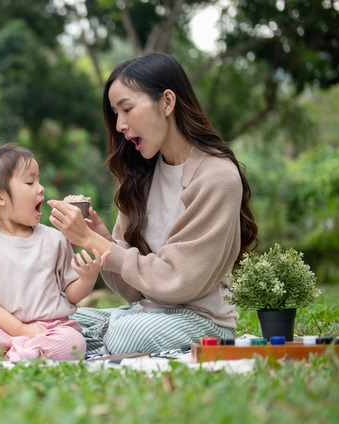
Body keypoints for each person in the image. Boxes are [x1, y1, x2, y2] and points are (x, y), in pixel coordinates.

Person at [47, 52, 258, 356]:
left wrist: (91, 240)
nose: (119, 125)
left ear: (167, 102)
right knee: (57, 321)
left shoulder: (216, 176)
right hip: (144, 312)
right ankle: (90, 341)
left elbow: (178, 282)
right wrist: (103, 241)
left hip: (201, 321)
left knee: (125, 335)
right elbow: (135, 290)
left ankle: (98, 343)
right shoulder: (140, 175)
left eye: (127, 109)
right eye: (115, 114)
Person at [0, 144, 109, 361]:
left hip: (49, 328)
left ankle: (9, 358)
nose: (41, 188)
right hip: (0, 329)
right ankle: (24, 354)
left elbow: (69, 293)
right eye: (30, 182)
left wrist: (87, 280)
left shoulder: (54, 239)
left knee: (72, 343)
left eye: (39, 180)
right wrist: (20, 330)